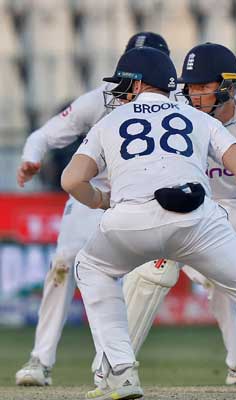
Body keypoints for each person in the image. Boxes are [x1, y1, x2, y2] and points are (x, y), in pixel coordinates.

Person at [61, 46, 236, 400]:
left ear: (137, 86)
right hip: (197, 217)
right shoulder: (200, 119)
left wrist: (103, 201)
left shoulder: (109, 121)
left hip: (129, 220)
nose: (119, 92)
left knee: (91, 268)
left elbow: (71, 181)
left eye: (124, 85)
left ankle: (118, 371)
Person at [14, 32, 170, 387]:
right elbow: (43, 135)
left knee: (203, 268)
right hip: (93, 195)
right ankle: (41, 359)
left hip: (150, 196)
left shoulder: (177, 105)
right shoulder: (99, 100)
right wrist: (31, 158)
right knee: (65, 261)